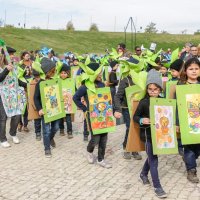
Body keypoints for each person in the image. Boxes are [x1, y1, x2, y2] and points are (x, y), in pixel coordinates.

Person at [133, 69, 167, 198]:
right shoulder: (144, 102)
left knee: (151, 156)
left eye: (155, 89)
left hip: (160, 135)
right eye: (150, 89)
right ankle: (157, 186)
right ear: (147, 89)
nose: (153, 91)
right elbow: (135, 117)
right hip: (147, 135)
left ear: (160, 90)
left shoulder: (163, 101)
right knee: (154, 160)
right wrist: (142, 120)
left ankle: (142, 174)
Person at [73, 62, 112, 168]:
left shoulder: (102, 84)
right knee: (96, 138)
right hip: (93, 116)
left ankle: (101, 159)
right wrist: (85, 109)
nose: (100, 75)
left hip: (103, 115)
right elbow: (75, 98)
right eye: (99, 73)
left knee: (104, 137)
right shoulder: (85, 86)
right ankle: (89, 151)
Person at [176, 57, 200, 183]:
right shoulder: (181, 86)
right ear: (185, 70)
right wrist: (177, 123)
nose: (194, 71)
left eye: (196, 69)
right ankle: (191, 170)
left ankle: (189, 158)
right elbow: (177, 106)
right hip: (187, 122)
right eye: (191, 69)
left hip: (199, 122)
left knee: (197, 148)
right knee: (189, 147)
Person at [0, 46, 26, 147]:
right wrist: (6, 70)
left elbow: (16, 80)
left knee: (17, 114)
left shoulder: (14, 66)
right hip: (2, 95)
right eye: (11, 54)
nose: (13, 56)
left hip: (14, 94)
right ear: (4, 55)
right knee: (3, 118)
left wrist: (26, 85)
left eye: (13, 54)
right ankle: (2, 139)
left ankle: (13, 133)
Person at [114, 67, 142, 160]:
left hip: (138, 108)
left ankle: (135, 149)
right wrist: (118, 109)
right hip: (127, 108)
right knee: (130, 128)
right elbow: (118, 97)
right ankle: (126, 148)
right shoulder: (125, 81)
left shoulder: (141, 79)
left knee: (137, 128)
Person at [34, 57, 59, 157]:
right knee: (46, 130)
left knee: (56, 127)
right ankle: (47, 148)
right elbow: (35, 98)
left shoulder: (54, 81)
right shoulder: (40, 83)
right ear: (48, 71)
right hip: (45, 110)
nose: (55, 71)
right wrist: (40, 109)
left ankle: (50, 137)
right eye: (53, 70)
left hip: (55, 109)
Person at [59, 63, 73, 139]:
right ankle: (61, 129)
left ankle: (69, 131)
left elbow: (74, 90)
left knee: (68, 118)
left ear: (68, 74)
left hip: (68, 103)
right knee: (61, 118)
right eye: (62, 73)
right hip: (60, 102)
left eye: (65, 73)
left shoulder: (71, 81)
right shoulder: (58, 81)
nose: (63, 75)